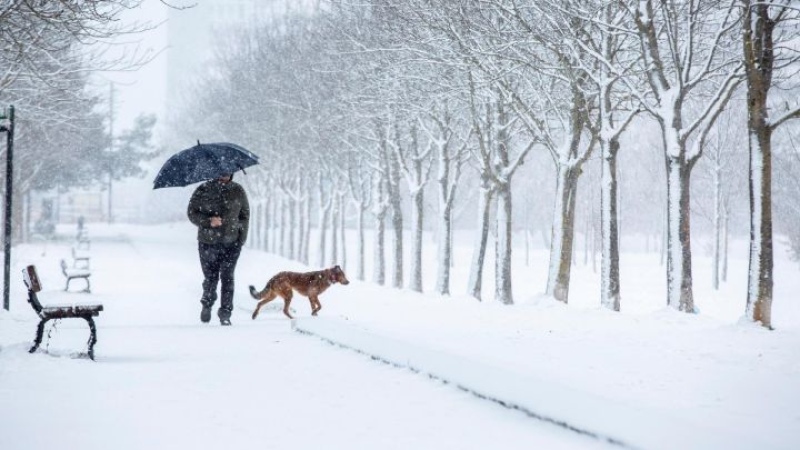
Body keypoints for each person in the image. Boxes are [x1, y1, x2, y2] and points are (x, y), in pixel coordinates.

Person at [187, 172, 250, 326]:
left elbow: (245, 215)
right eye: (222, 172)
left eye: (228, 172)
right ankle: (207, 303)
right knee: (211, 277)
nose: (225, 175)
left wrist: (241, 239)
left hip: (232, 242)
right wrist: (208, 221)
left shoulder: (238, 190)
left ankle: (225, 313)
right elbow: (191, 213)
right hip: (208, 242)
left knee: (228, 277)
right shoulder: (203, 189)